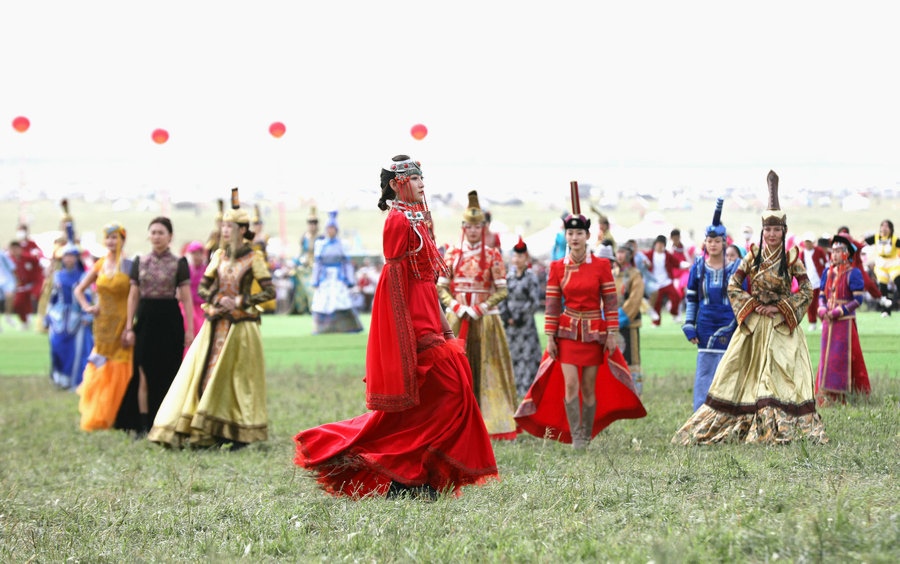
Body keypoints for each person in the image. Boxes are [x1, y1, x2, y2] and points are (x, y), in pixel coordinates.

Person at [294, 155, 498, 498]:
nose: (421, 184)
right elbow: (395, 280)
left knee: (435, 399)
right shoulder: (397, 221)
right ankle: (400, 473)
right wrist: (402, 334)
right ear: (395, 184)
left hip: (428, 313)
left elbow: (427, 280)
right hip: (410, 320)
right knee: (450, 390)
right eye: (414, 179)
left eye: (421, 178)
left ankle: (415, 476)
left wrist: (445, 326)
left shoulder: (419, 216)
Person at [673, 171, 827, 445]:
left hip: (781, 327)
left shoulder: (792, 258)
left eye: (776, 229)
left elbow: (807, 290)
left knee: (780, 375)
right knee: (743, 374)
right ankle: (747, 422)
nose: (772, 234)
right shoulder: (753, 256)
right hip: (754, 326)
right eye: (768, 230)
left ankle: (779, 425)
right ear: (762, 231)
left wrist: (781, 308)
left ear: (783, 231)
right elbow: (733, 285)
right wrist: (754, 305)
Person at [516, 183, 645, 449]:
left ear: (587, 236)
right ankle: (576, 436)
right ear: (566, 236)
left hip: (595, 333)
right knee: (571, 385)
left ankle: (586, 432)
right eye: (570, 233)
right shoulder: (556, 267)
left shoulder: (601, 266)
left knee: (588, 387)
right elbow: (552, 304)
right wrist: (550, 337)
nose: (574, 237)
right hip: (567, 333)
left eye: (579, 233)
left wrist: (611, 333)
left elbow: (610, 302)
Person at [149, 189, 274, 448]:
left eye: (229, 226)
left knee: (236, 378)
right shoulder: (219, 256)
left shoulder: (254, 258)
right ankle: (205, 429)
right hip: (216, 323)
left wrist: (239, 301)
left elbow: (268, 291)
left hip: (241, 327)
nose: (224, 230)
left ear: (242, 229)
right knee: (206, 375)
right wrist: (217, 299)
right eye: (223, 225)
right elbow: (204, 288)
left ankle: (236, 432)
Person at [438, 190, 518, 440]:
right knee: (454, 370)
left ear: (483, 228)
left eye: (477, 227)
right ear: (463, 227)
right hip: (457, 318)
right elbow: (441, 287)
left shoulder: (493, 255)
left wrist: (481, 307)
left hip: (486, 320)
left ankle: (491, 421)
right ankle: (454, 419)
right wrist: (456, 305)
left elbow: (502, 289)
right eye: (469, 226)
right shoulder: (452, 253)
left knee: (488, 367)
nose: (473, 231)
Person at [116, 217, 194, 435]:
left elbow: (187, 298)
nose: (157, 237)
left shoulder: (179, 263)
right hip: (145, 320)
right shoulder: (139, 261)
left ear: (170, 236)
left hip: (170, 320)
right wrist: (129, 327)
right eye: (153, 232)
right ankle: (143, 423)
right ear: (148, 235)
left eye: (161, 233)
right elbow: (133, 296)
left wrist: (189, 329)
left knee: (169, 370)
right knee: (142, 371)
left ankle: (167, 420)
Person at [681, 198, 739, 411]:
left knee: (728, 370)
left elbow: (741, 300)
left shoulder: (736, 269)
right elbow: (692, 298)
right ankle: (701, 415)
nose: (713, 244)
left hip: (729, 325)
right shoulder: (698, 268)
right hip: (704, 326)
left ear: (724, 242)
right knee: (705, 371)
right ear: (705, 243)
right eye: (709, 241)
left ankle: (727, 416)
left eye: (717, 241)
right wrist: (689, 323)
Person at [74, 223, 134, 431]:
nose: (111, 241)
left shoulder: (128, 265)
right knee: (101, 362)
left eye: (115, 237)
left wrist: (130, 325)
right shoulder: (99, 264)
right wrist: (87, 307)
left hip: (122, 322)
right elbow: (79, 289)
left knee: (121, 362)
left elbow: (135, 295)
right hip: (102, 325)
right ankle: (98, 411)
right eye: (108, 238)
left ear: (123, 240)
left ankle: (118, 413)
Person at [815, 234, 871, 405]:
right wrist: (821, 307)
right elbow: (822, 295)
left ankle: (843, 396)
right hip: (828, 321)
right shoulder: (827, 272)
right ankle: (825, 395)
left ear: (847, 254)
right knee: (826, 357)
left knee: (842, 358)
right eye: (833, 251)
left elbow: (858, 300)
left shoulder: (853, 273)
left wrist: (839, 311)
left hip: (844, 322)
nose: (834, 255)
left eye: (839, 251)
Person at [46, 223, 93, 390]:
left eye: (72, 256)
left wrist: (87, 314)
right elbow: (53, 297)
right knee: (56, 346)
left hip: (77, 318)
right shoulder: (57, 276)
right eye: (66, 256)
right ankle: (60, 377)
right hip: (58, 318)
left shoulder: (84, 276)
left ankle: (75, 380)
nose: (69, 259)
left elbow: (88, 296)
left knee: (76, 350)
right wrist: (48, 315)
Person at [498, 236, 543, 398]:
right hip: (510, 326)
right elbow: (502, 297)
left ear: (526, 258)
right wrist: (506, 316)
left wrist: (519, 317)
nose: (517, 259)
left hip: (525, 325)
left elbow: (534, 301)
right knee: (511, 356)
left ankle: (526, 389)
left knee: (527, 357)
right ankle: (512, 389)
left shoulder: (531, 277)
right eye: (515, 256)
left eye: (520, 256)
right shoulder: (508, 277)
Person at [310, 211, 363, 333]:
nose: (330, 231)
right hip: (325, 277)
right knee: (323, 301)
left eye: (332, 228)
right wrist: (315, 279)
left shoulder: (342, 244)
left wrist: (349, 279)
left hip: (339, 277)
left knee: (341, 300)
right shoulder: (320, 244)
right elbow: (317, 264)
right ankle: (322, 328)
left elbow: (347, 263)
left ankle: (346, 327)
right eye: (329, 228)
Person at [613, 243, 645, 396]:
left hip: (629, 324)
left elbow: (635, 299)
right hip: (611, 325)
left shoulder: (635, 274)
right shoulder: (612, 274)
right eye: (618, 252)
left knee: (631, 359)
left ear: (630, 255)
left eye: (623, 252)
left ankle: (634, 393)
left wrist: (622, 316)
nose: (619, 255)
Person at [863, 220, 900, 317]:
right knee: (882, 287)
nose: (884, 228)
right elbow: (862, 242)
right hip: (881, 264)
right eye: (882, 226)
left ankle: (893, 304)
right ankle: (885, 310)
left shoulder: (894, 239)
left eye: (886, 226)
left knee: (898, 282)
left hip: (893, 263)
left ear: (890, 229)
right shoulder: (876, 237)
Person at [644, 234, 682, 326]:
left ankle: (674, 312)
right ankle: (656, 322)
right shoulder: (649, 254)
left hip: (666, 282)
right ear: (655, 244)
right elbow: (641, 260)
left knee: (676, 297)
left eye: (662, 244)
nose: (660, 246)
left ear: (664, 245)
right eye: (658, 244)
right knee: (657, 303)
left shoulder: (667, 255)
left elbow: (677, 263)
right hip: (655, 283)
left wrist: (686, 265)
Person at [292, 207, 321, 315]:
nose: (312, 225)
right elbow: (300, 252)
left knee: (312, 290)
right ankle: (301, 309)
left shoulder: (321, 238)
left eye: (314, 223)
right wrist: (296, 262)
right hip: (304, 268)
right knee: (300, 290)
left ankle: (314, 309)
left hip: (316, 268)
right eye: (310, 223)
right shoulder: (304, 237)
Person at [9, 241, 43, 330]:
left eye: (16, 249)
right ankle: (25, 321)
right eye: (12, 249)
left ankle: (44, 321)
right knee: (17, 304)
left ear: (20, 249)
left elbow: (39, 268)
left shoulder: (29, 258)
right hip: (20, 286)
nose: (15, 251)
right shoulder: (10, 260)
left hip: (33, 284)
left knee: (38, 298)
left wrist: (38, 284)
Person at [799, 232, 827, 332]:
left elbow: (825, 263)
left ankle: (823, 321)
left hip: (819, 281)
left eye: (809, 242)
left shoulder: (819, 251)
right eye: (806, 242)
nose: (808, 244)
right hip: (809, 282)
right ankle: (812, 323)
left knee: (820, 303)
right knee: (810, 304)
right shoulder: (803, 253)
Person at [182, 240, 207, 338]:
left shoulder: (207, 270)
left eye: (198, 253)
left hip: (202, 307)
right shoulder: (186, 270)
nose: (196, 257)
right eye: (193, 254)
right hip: (187, 307)